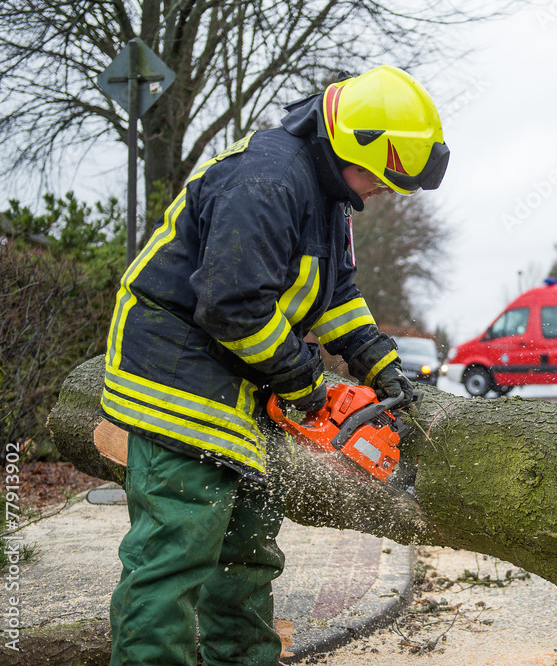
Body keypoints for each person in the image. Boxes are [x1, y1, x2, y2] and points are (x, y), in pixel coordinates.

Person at [100, 65, 449, 665]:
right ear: (352, 145)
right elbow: (232, 305)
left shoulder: (329, 197)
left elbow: (335, 296)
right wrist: (306, 384)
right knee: (174, 559)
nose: (386, 191)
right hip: (177, 380)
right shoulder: (267, 180)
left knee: (245, 558)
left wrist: (379, 365)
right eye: (386, 178)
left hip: (239, 388)